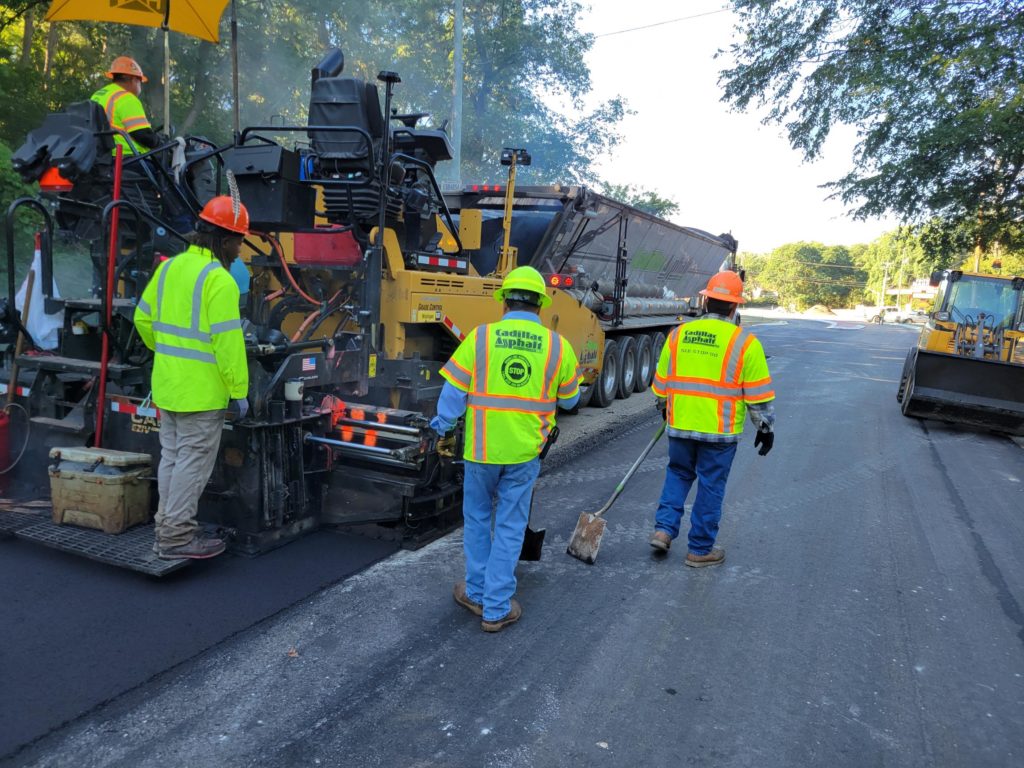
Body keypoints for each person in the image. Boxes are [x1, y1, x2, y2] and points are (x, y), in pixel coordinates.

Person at [431, 266, 580, 632]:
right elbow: (572, 400)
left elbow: (452, 394)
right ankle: (496, 608)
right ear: (541, 305)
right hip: (524, 453)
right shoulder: (557, 346)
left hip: (480, 451)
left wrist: (442, 430)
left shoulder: (481, 338)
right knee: (511, 525)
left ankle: (477, 592)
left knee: (478, 519)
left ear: (505, 302)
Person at [134, 196, 251, 560]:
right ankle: (175, 538)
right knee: (191, 464)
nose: (239, 248)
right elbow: (228, 343)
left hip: (167, 386)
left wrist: (169, 352)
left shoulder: (169, 268)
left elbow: (142, 319)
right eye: (238, 240)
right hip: (202, 393)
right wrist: (239, 391)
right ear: (224, 238)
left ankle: (166, 529)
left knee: (172, 458)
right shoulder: (220, 279)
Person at [649, 270, 775, 567]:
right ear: (734, 307)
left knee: (678, 474)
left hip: (680, 426)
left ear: (705, 302)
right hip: (719, 433)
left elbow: (660, 385)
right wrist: (765, 429)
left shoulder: (678, 335)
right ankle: (700, 549)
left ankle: (664, 531)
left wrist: (665, 408)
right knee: (710, 485)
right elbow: (758, 397)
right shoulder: (746, 343)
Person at [91, 56, 159, 155]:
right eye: (140, 82)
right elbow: (143, 135)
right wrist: (159, 141)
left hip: (101, 158)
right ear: (134, 79)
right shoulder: (126, 98)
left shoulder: (98, 94)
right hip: (127, 159)